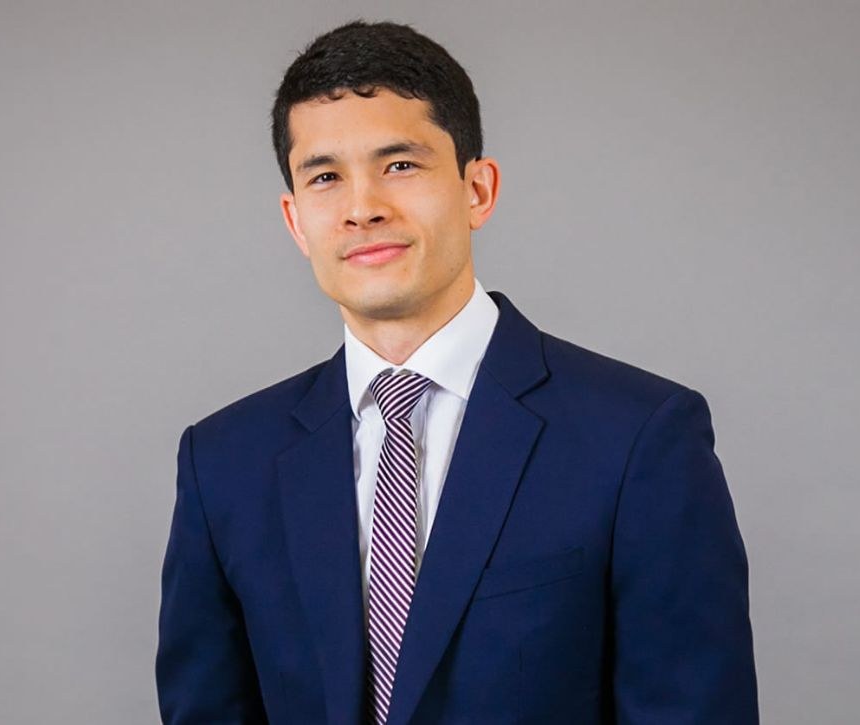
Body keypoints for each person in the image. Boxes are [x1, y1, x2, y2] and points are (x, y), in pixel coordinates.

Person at [155, 19, 759, 725]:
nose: (362, 209)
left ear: (478, 189)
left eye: (400, 166)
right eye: (325, 177)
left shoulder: (638, 439)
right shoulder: (224, 463)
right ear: (295, 220)